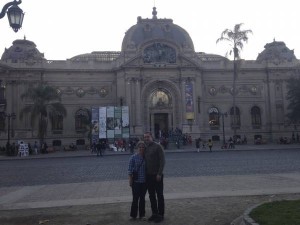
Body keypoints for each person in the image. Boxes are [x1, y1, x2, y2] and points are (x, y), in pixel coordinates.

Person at [144, 131, 165, 223]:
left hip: (157, 175)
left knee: (160, 195)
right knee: (151, 196)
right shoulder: (146, 148)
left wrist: (159, 173)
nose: (146, 139)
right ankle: (154, 213)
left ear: (152, 137)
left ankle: (161, 215)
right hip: (149, 176)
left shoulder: (158, 146)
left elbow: (162, 161)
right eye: (145, 137)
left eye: (148, 137)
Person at [128, 141, 147, 221]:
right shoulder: (133, 157)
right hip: (136, 182)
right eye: (140, 147)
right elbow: (129, 170)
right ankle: (133, 215)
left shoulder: (146, 157)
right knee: (135, 199)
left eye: (143, 147)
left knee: (142, 198)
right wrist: (130, 180)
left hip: (144, 182)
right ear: (137, 148)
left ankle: (142, 215)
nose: (141, 148)